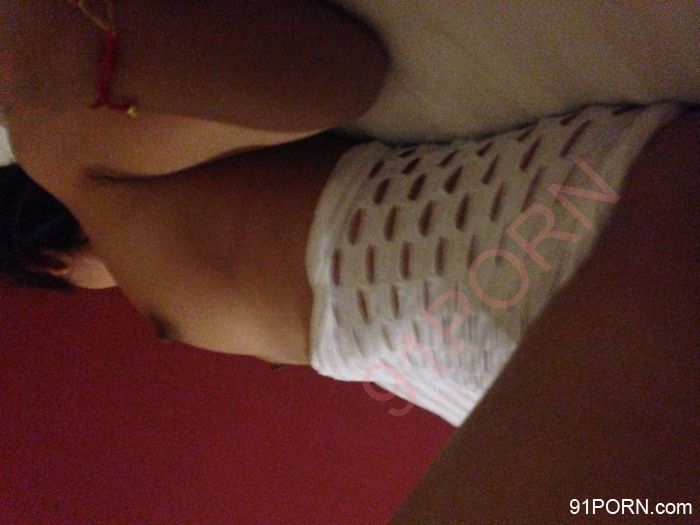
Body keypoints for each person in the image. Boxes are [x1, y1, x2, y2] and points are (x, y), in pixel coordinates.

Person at [1, 1, 698, 522]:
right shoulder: (133, 205)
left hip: (502, 266)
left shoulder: (67, 158)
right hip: (458, 319)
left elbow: (334, 76)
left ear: (48, 261)